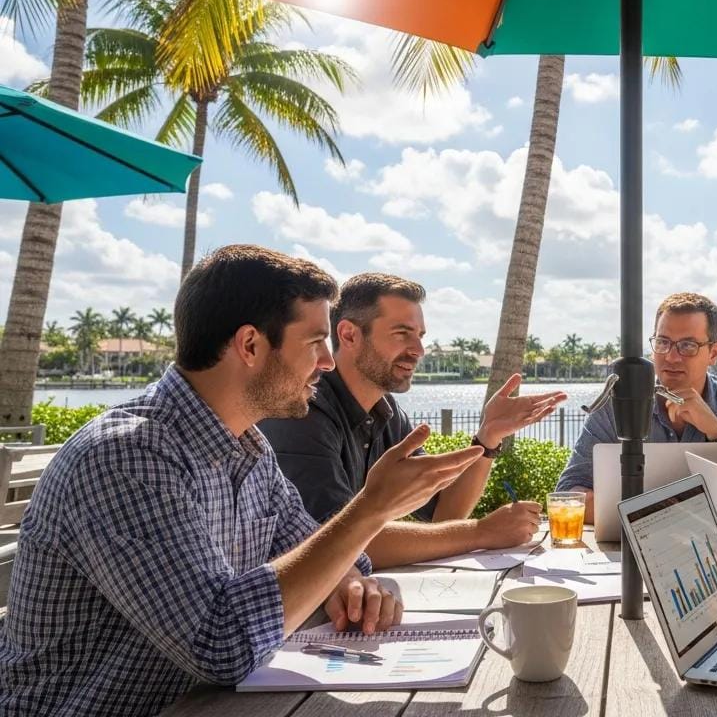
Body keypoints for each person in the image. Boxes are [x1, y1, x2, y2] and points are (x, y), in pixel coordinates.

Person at [0, 246, 482, 716]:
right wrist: (371, 508)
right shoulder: (128, 455)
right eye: (315, 343)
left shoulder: (248, 447)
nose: (328, 363)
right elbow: (222, 642)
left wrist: (355, 583)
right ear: (250, 345)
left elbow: (322, 550)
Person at [259, 273, 566, 569]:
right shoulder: (303, 412)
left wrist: (488, 436)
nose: (418, 351)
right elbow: (336, 543)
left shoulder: (386, 412)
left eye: (419, 336)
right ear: (349, 335)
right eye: (402, 334)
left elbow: (443, 514)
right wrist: (481, 532)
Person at [554, 292, 717, 526]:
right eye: (663, 343)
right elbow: (568, 494)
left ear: (714, 353)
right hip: (627, 553)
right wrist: (656, 514)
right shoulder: (617, 404)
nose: (671, 357)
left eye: (687, 345)